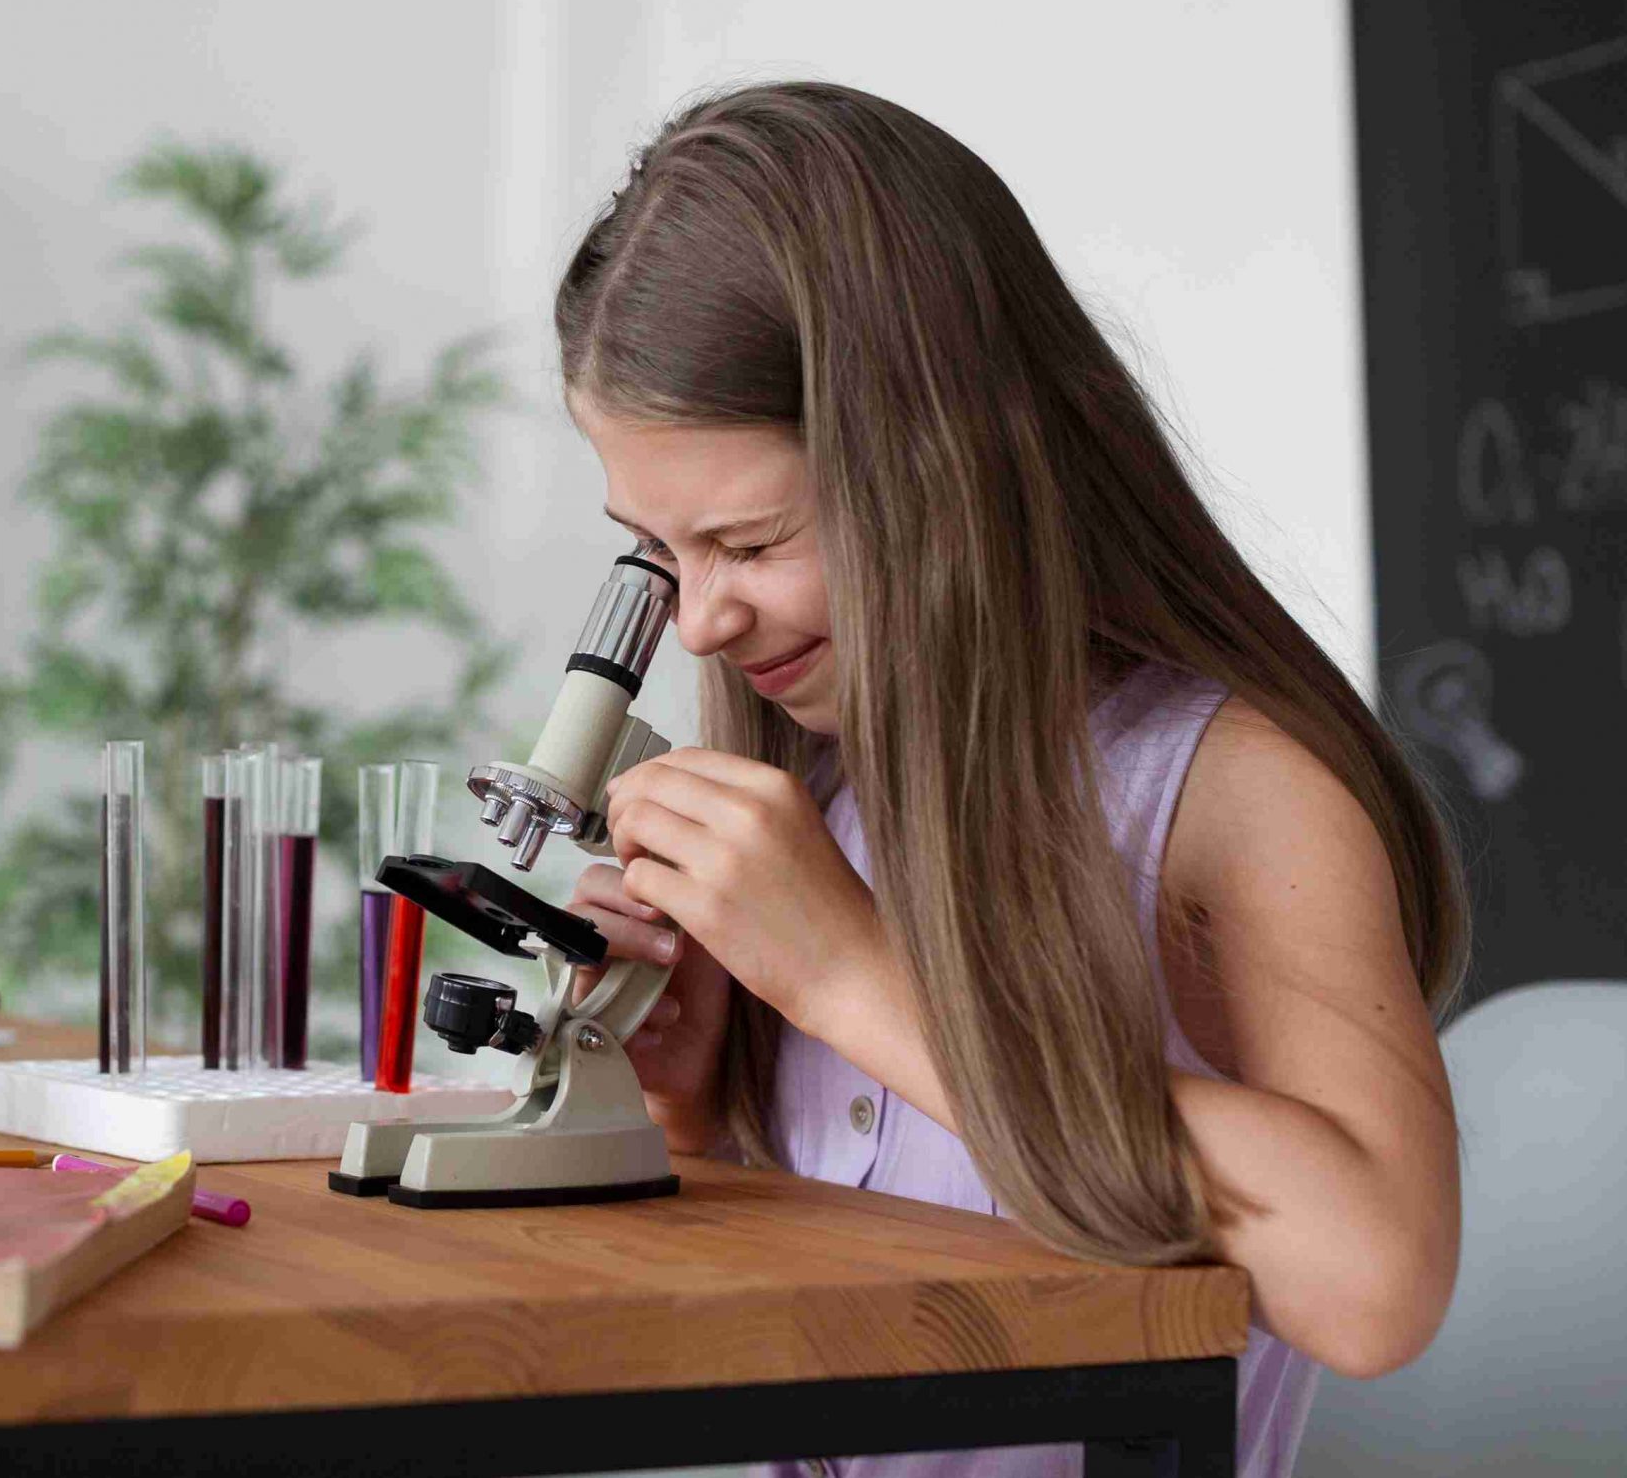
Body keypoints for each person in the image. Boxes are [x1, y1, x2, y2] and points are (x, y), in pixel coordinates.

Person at [555, 82, 1464, 1478]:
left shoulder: (1230, 793)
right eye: (660, 553)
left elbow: (1376, 1283)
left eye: (750, 541)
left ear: (946, 466)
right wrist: (688, 1106)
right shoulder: (835, 785)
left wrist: (851, 978)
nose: (699, 624)